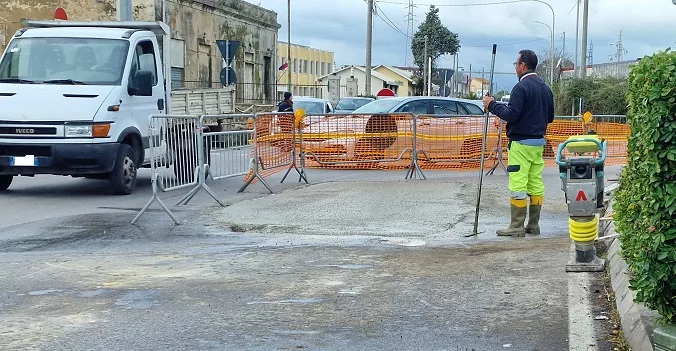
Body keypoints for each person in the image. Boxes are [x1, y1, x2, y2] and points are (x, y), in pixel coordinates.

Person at [483, 49, 554, 237]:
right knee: (535, 182)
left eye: (516, 64)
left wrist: (491, 104)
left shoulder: (520, 88)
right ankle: (533, 224)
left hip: (520, 143)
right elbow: (550, 117)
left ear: (523, 66)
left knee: (518, 182)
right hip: (538, 143)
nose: (515, 67)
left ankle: (516, 226)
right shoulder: (545, 88)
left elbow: (511, 114)